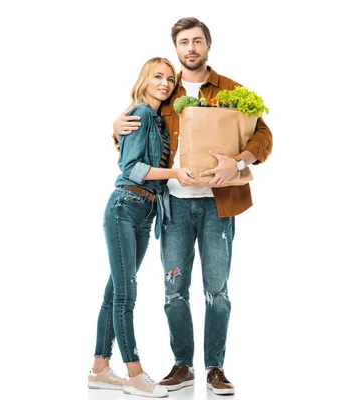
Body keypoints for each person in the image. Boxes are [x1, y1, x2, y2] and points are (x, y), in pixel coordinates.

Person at [112, 17, 273, 395]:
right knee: (174, 290)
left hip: (220, 204)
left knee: (217, 291)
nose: (191, 48)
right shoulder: (166, 90)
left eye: (197, 41)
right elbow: (135, 133)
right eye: (184, 42)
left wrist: (238, 161)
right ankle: (182, 365)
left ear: (208, 46)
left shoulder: (230, 90)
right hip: (174, 207)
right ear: (177, 49)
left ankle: (215, 368)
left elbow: (263, 134)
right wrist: (115, 126)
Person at [88, 56, 198, 398]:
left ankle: (100, 370)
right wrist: (177, 174)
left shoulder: (158, 119)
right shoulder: (141, 113)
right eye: (157, 77)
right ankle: (134, 373)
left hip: (145, 213)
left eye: (169, 78)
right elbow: (131, 167)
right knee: (126, 294)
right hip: (125, 206)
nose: (164, 83)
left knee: (114, 292)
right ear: (145, 80)